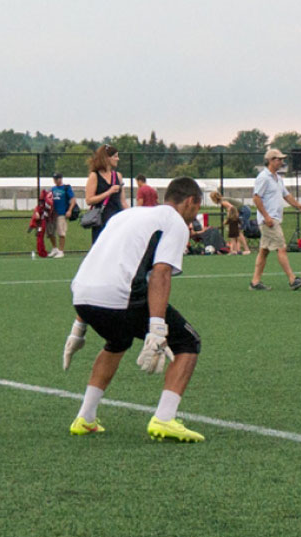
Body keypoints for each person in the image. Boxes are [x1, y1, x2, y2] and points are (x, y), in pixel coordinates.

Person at [64, 177, 206, 442]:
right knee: (188, 341)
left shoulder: (126, 215)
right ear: (190, 202)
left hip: (82, 292)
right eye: (197, 207)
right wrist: (156, 328)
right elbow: (160, 274)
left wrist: (79, 326)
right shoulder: (174, 221)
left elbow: (98, 260)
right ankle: (165, 418)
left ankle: (86, 417)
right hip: (120, 294)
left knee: (117, 340)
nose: (195, 215)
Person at [249, 149, 301, 291]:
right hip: (269, 221)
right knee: (281, 248)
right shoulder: (263, 177)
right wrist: (266, 217)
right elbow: (256, 198)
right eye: (279, 159)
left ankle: (255, 282)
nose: (282, 162)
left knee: (264, 251)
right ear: (270, 160)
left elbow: (286, 195)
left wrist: (299, 206)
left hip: (273, 219)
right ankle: (292, 279)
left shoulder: (278, 178)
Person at [84, 144, 130, 244]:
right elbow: (89, 200)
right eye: (115, 156)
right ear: (107, 158)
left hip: (117, 218)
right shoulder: (94, 176)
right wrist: (109, 192)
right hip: (102, 220)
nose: (118, 159)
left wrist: (131, 215)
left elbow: (123, 201)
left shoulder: (118, 176)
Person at [210, 191, 248, 255]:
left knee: (238, 232)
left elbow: (232, 208)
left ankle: (246, 249)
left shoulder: (223, 202)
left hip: (243, 211)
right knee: (237, 232)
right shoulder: (223, 200)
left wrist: (229, 219)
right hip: (241, 211)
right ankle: (237, 250)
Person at [48, 173, 75, 257]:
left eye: (57, 178)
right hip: (52, 214)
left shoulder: (66, 188)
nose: (55, 180)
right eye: (54, 179)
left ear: (60, 179)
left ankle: (61, 251)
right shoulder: (53, 189)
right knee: (50, 232)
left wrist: (69, 210)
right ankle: (54, 248)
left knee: (61, 232)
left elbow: (73, 199)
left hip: (61, 213)